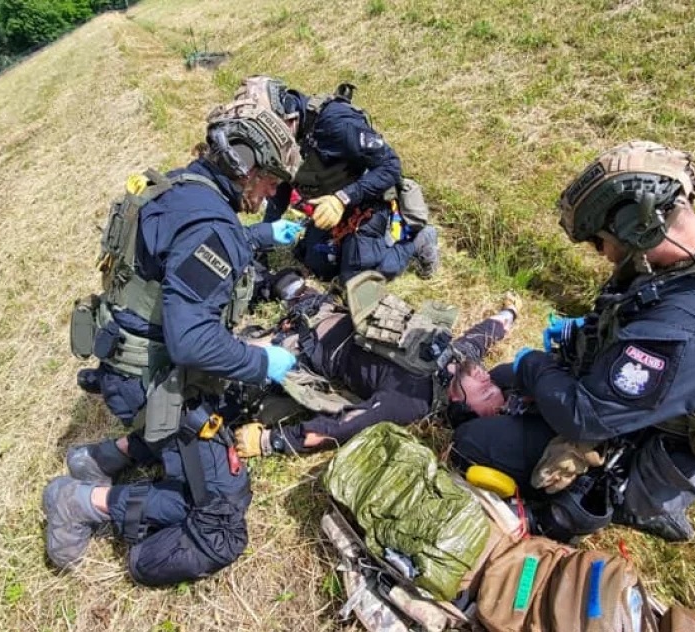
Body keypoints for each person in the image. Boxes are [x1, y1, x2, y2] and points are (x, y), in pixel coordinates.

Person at [450, 141, 695, 543]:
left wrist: (533, 366)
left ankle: (608, 509)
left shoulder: (689, 322)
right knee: (503, 376)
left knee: (471, 442)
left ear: (636, 222)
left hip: (637, 444)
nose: (602, 254)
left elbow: (586, 416)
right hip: (639, 407)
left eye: (599, 241)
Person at [44, 100, 305, 585]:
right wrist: (261, 361)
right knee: (222, 516)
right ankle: (79, 503)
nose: (274, 191)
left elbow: (185, 249)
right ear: (244, 164)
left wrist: (262, 235)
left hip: (128, 361)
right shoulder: (212, 227)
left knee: (218, 411)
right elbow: (191, 342)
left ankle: (103, 457)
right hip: (156, 381)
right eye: (271, 180)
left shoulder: (182, 186)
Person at [234, 285, 521, 456]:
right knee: (283, 281)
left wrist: (270, 442)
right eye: (492, 382)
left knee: (229, 358)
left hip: (303, 342)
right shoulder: (461, 357)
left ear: (458, 405)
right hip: (329, 307)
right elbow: (486, 333)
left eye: (485, 391)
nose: (486, 376)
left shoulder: (413, 399)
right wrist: (510, 313)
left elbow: (346, 425)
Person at [238, 76, 440, 282]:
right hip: (332, 205)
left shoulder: (338, 124)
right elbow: (283, 182)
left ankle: (418, 241)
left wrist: (342, 199)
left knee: (357, 279)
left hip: (367, 204)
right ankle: (346, 247)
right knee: (316, 264)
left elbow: (391, 166)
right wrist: (266, 234)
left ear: (288, 117)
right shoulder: (285, 135)